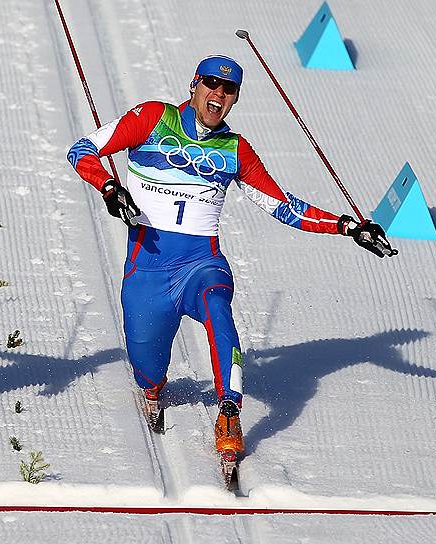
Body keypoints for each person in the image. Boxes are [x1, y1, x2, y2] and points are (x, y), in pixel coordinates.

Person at [67, 55, 394, 459]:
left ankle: (228, 410)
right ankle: (153, 385)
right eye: (211, 84)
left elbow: (284, 206)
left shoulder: (235, 149)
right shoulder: (152, 118)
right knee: (146, 368)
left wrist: (348, 226)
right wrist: (110, 189)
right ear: (194, 85)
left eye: (229, 89)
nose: (218, 94)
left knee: (218, 306)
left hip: (201, 263)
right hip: (147, 269)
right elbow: (81, 150)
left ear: (235, 98)